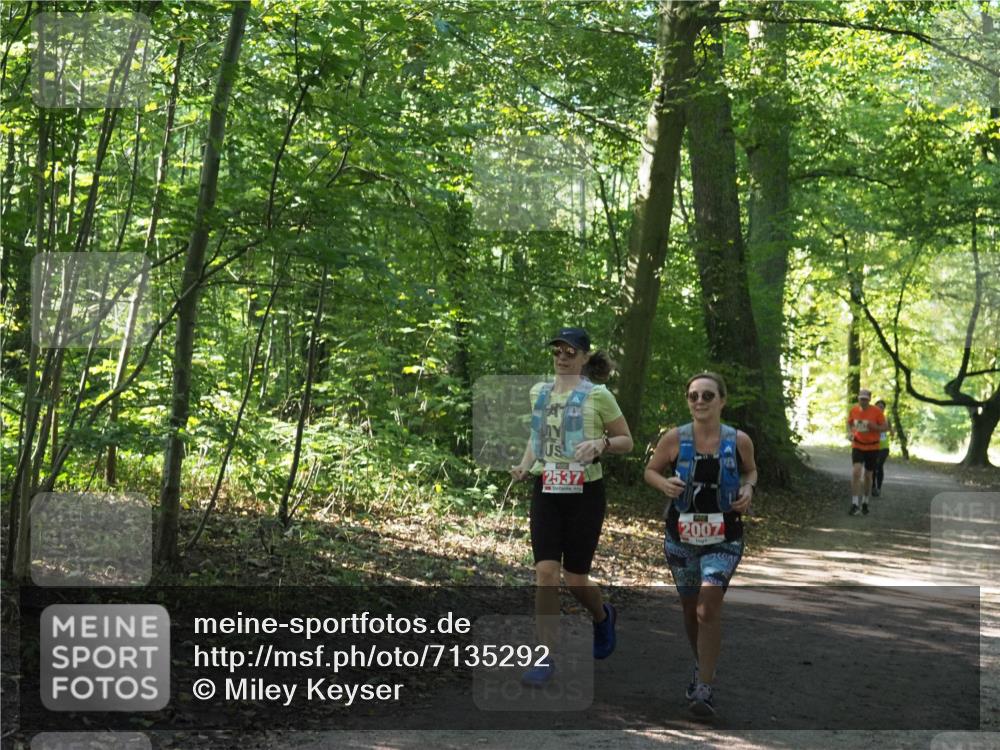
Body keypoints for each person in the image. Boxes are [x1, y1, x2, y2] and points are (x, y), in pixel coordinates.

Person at [510, 327, 633, 686]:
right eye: (557, 352)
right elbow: (538, 435)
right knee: (546, 573)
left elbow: (626, 441)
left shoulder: (599, 395)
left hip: (585, 494)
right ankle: (544, 657)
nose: (562, 358)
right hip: (546, 489)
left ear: (584, 357)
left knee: (575, 578)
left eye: (570, 352)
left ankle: (602, 616)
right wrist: (524, 464)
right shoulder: (540, 392)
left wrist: (601, 443)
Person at [644, 372, 756, 718]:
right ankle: (701, 664)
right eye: (693, 396)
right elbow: (650, 470)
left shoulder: (739, 440)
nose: (699, 401)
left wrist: (748, 488)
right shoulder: (674, 438)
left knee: (708, 606)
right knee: (691, 608)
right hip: (681, 538)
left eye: (708, 395)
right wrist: (664, 485)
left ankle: (704, 687)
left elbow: (751, 471)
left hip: (725, 537)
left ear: (722, 400)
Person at [846, 388, 888, 515]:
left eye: (865, 399)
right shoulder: (854, 410)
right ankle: (854, 504)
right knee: (856, 472)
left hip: (872, 447)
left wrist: (874, 427)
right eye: (861, 399)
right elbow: (849, 423)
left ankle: (865, 501)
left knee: (868, 476)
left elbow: (885, 427)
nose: (863, 401)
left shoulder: (877, 412)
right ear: (858, 398)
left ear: (869, 399)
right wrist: (850, 433)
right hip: (858, 445)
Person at [872, 399, 891, 497]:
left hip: (884, 447)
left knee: (879, 465)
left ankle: (878, 488)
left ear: (884, 409)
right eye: (878, 406)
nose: (880, 408)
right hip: (872, 446)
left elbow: (890, 429)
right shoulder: (870, 418)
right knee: (873, 466)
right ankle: (873, 486)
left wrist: (890, 430)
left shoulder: (886, 418)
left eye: (882, 407)